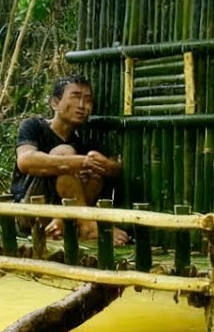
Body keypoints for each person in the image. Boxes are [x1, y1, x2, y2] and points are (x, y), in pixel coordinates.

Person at [12, 75, 129, 245]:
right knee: (65, 153)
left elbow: (115, 169)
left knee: (93, 173)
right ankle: (87, 224)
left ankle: (62, 221)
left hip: (66, 216)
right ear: (55, 103)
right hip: (32, 211)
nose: (82, 105)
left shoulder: (84, 140)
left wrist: (104, 164)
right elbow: (25, 161)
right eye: (75, 97)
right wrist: (78, 162)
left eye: (88, 100)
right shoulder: (34, 126)